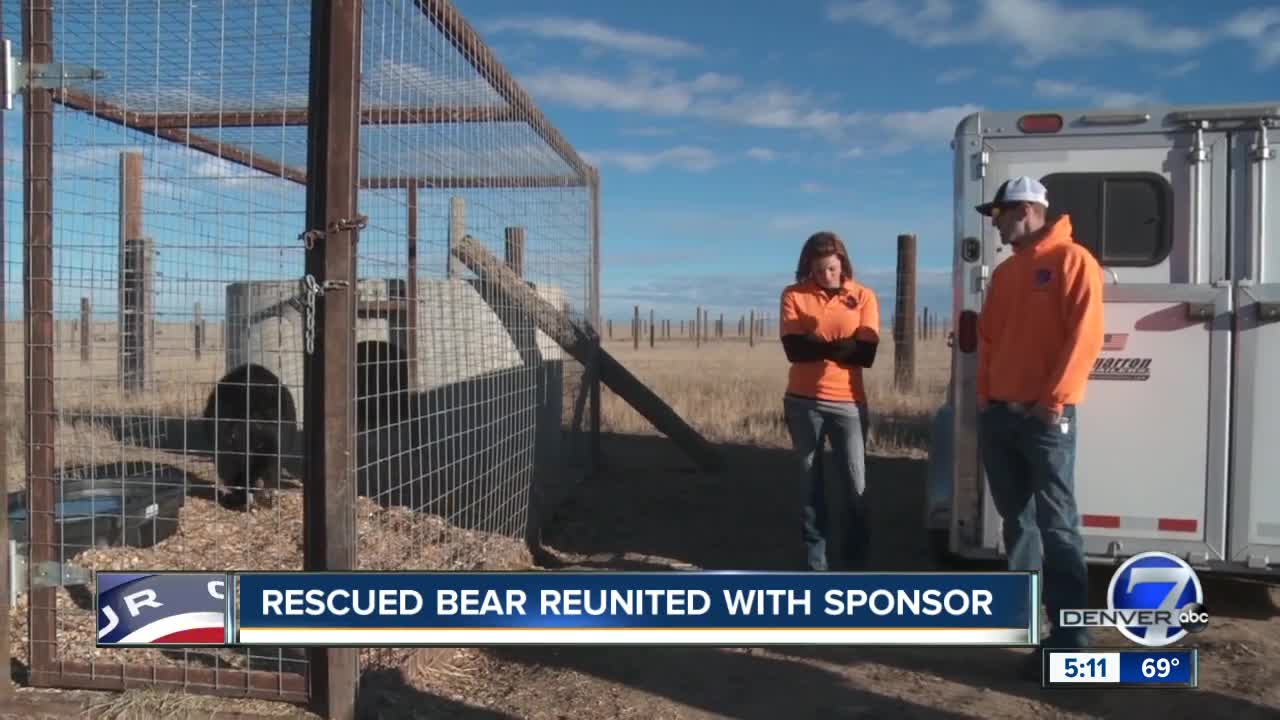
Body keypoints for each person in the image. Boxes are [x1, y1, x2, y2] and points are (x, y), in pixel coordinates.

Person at [973, 176, 1105, 680]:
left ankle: (1070, 638)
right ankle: (1027, 624)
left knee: (1058, 525)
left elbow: (1085, 336)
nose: (996, 223)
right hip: (1001, 416)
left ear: (1026, 210)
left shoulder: (1072, 261)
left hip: (1045, 418)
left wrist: (1053, 403)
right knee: (1018, 524)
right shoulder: (1006, 274)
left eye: (1000, 214)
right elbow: (988, 340)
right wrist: (985, 399)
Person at [778, 231, 881, 572]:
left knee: (856, 485)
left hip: (848, 403)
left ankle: (856, 563)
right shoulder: (794, 295)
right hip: (802, 403)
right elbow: (794, 350)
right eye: (819, 270)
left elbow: (866, 354)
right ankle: (816, 564)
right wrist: (842, 343)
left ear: (843, 264)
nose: (826, 276)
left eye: (832, 269)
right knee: (811, 486)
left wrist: (815, 341)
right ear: (808, 267)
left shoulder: (863, 296)